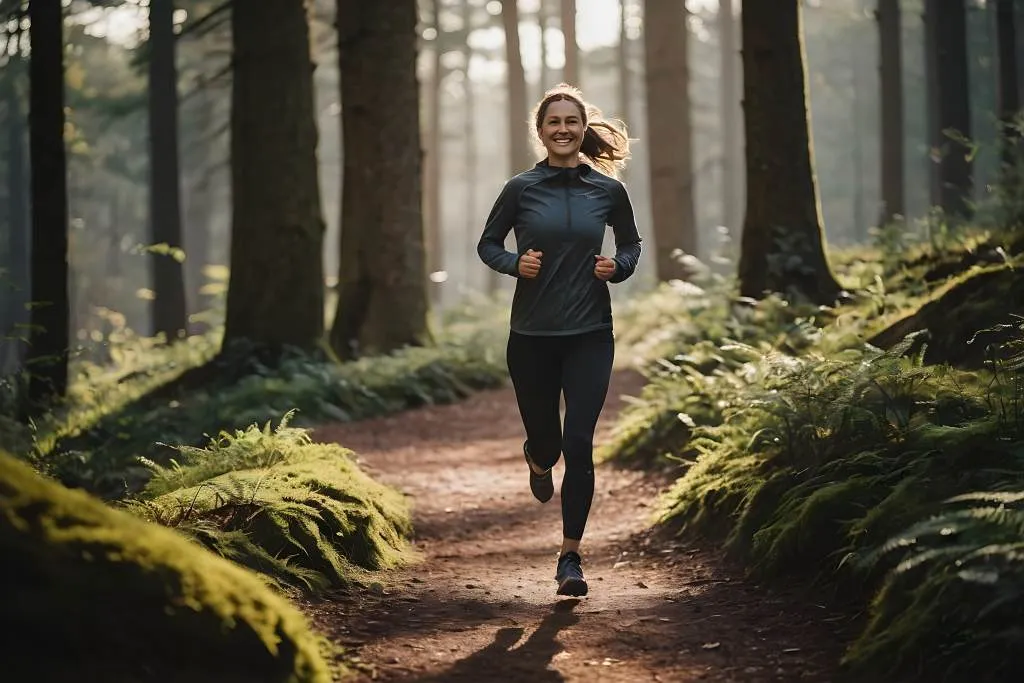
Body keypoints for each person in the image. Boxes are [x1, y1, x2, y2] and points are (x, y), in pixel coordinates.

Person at [477, 84, 643, 597]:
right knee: (549, 442)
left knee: (580, 444)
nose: (564, 129)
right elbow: (488, 243)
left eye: (572, 120)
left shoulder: (607, 190)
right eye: (554, 122)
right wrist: (513, 263)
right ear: (541, 130)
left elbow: (632, 243)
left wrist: (618, 267)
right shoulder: (521, 188)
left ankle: (570, 557)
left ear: (583, 127)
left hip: (591, 334)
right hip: (531, 337)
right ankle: (536, 455)